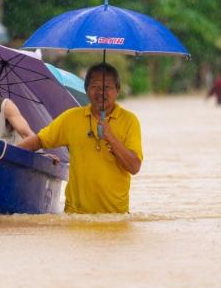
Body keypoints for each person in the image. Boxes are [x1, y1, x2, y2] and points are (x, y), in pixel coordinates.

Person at [17, 63, 142, 214]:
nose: (101, 92)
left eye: (107, 87)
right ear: (86, 89)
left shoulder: (129, 121)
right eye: (95, 86)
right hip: (75, 215)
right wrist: (4, 154)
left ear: (117, 90)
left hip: (116, 216)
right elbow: (39, 140)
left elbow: (134, 167)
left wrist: (111, 138)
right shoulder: (71, 118)